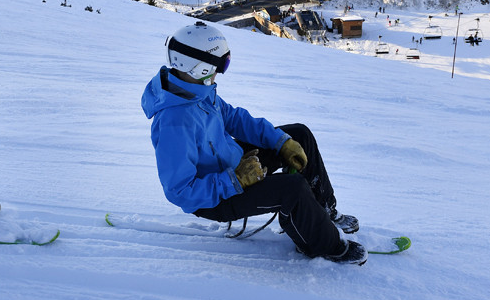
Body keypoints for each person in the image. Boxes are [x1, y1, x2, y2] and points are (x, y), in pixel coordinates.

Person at [141, 21, 366, 265]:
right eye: (220, 65)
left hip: (234, 166)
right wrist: (234, 180)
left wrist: (280, 142)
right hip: (215, 197)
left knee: (298, 135)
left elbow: (235, 119)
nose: (220, 72)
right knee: (291, 189)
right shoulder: (174, 121)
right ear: (199, 67)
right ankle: (326, 246)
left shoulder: (196, 91)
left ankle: (324, 209)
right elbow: (180, 191)